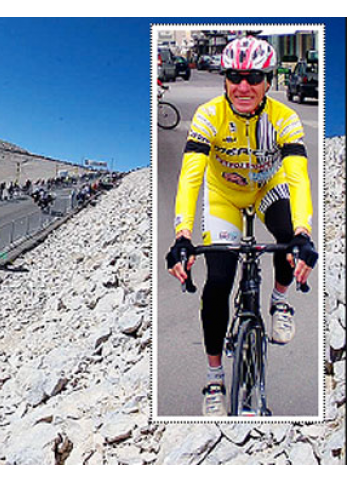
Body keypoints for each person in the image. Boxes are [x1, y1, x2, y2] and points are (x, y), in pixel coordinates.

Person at [165, 37, 318, 417]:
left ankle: (280, 300)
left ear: (268, 80)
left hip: (268, 188)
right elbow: (190, 177)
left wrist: (304, 232)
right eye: (235, 76)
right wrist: (182, 235)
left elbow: (298, 178)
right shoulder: (208, 116)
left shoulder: (284, 119)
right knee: (218, 282)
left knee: (288, 240)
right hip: (224, 199)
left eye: (253, 77)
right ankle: (215, 376)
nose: (243, 87)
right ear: (225, 79)